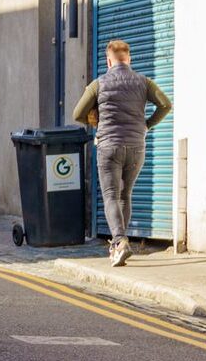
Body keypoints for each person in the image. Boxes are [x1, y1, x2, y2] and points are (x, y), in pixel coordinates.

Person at [72, 39, 173, 267]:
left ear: (109, 61)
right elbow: (166, 105)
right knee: (125, 195)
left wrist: (96, 121)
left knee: (110, 195)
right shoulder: (143, 81)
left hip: (109, 146)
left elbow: (78, 113)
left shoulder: (99, 84)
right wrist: (146, 125)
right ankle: (120, 244)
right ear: (129, 59)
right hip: (137, 146)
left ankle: (119, 242)